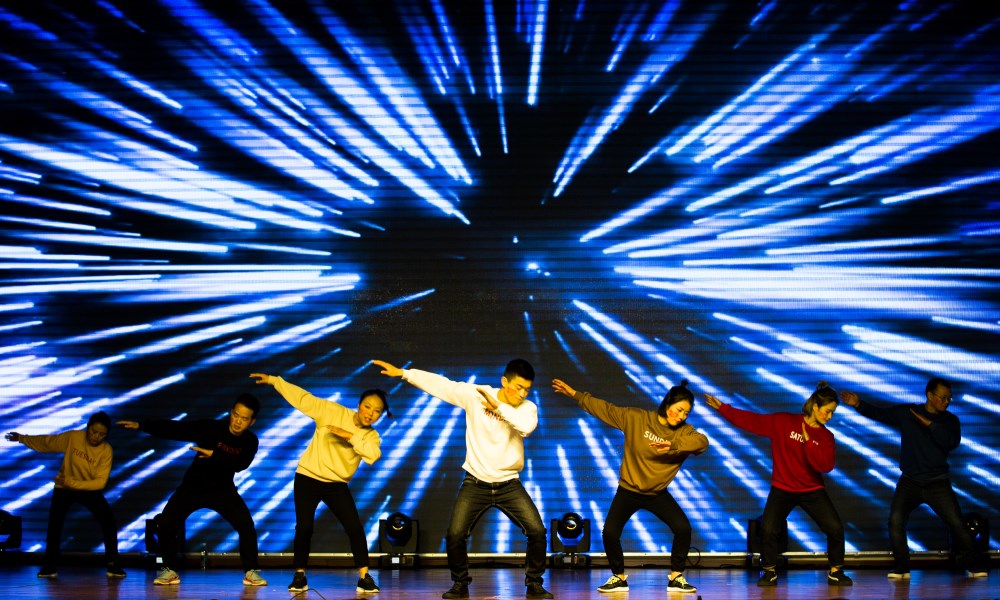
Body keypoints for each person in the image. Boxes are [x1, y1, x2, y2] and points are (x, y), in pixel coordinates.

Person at [372, 358, 553, 600]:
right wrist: (405, 374)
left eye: (526, 390)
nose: (521, 394)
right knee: (455, 534)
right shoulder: (476, 395)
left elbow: (526, 427)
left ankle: (534, 584)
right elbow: (443, 385)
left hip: (509, 483)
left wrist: (499, 407)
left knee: (537, 531)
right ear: (504, 381)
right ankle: (460, 583)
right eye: (518, 387)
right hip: (475, 482)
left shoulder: (527, 408)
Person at [552, 378, 708, 594]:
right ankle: (618, 577)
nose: (681, 416)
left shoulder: (684, 432)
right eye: (679, 410)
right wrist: (576, 394)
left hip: (657, 493)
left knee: (682, 528)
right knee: (610, 532)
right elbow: (606, 409)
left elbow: (702, 442)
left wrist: (673, 444)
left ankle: (676, 577)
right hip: (628, 490)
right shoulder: (637, 418)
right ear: (668, 403)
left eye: (686, 413)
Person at [704, 382, 853, 587]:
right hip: (783, 487)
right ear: (815, 406)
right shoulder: (784, 422)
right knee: (768, 529)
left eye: (832, 413)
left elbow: (825, 466)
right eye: (827, 411)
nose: (829, 416)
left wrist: (809, 442)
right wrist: (723, 408)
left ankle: (836, 572)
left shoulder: (826, 437)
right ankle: (769, 571)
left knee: (835, 528)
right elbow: (752, 421)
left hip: (812, 490)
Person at [250, 373, 388, 594]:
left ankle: (364, 578)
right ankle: (299, 576)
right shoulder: (331, 411)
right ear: (359, 404)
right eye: (367, 406)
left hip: (336, 484)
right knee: (304, 527)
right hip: (308, 476)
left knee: (354, 528)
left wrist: (349, 436)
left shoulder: (371, 436)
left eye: (377, 411)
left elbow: (373, 456)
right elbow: (303, 399)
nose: (370, 413)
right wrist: (275, 381)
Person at [841, 377, 989, 578]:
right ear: (930, 395)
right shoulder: (908, 413)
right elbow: (881, 414)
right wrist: (858, 404)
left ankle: (974, 566)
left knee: (957, 524)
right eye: (943, 397)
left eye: (949, 398)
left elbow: (951, 442)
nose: (946, 401)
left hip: (937, 482)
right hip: (910, 481)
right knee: (895, 521)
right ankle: (902, 568)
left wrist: (929, 424)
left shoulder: (950, 420)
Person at [116, 393, 267, 587]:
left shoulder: (250, 441)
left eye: (244, 418)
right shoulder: (211, 428)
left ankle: (251, 572)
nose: (237, 421)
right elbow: (178, 429)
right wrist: (142, 425)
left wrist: (213, 454)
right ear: (231, 413)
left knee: (246, 525)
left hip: (223, 490)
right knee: (166, 523)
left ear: (252, 421)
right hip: (193, 486)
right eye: (235, 415)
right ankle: (170, 570)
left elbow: (240, 464)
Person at [5, 412, 125, 579]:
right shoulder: (74, 437)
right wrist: (22, 438)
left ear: (106, 435)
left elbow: (100, 483)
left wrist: (72, 483)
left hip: (88, 488)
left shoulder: (106, 451)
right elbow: (48, 442)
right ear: (88, 428)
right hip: (64, 487)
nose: (96, 437)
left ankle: (113, 564)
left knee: (109, 521)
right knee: (55, 524)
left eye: (101, 434)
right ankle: (49, 565)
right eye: (93, 431)